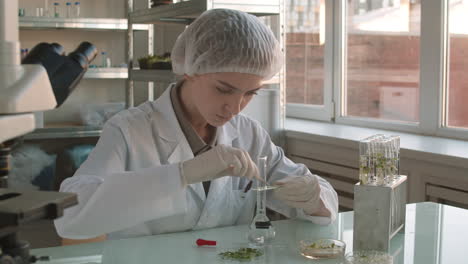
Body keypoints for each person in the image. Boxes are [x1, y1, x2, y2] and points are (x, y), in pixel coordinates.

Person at [55, 8, 338, 241]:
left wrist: (313, 196)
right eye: (224, 89)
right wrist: (181, 174)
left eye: (250, 93)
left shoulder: (249, 134)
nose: (235, 107)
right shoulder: (129, 130)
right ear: (190, 70)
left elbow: (323, 201)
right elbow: (70, 217)